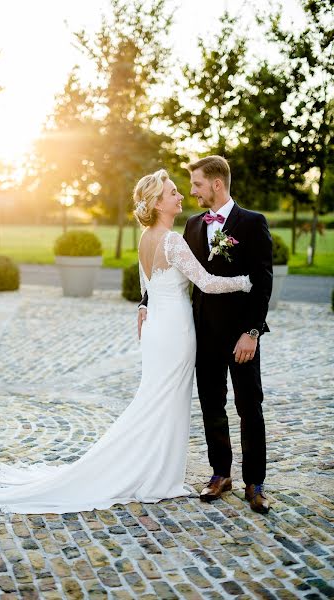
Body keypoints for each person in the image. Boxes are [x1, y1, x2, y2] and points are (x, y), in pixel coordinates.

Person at [0, 169, 251, 515]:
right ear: (159, 204)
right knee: (165, 400)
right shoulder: (172, 241)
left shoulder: (145, 238)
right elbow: (205, 282)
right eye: (173, 192)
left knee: (157, 398)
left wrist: (145, 307)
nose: (180, 197)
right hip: (174, 331)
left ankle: (156, 470)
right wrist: (246, 282)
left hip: (158, 329)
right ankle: (155, 475)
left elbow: (147, 288)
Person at [139, 156, 273, 514]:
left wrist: (252, 331)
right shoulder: (193, 226)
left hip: (241, 336)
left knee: (249, 406)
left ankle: (255, 483)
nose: (192, 191)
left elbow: (263, 282)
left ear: (216, 184)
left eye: (197, 184)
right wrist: (144, 302)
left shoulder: (253, 223)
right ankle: (220, 474)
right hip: (201, 335)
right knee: (212, 406)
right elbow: (170, 272)